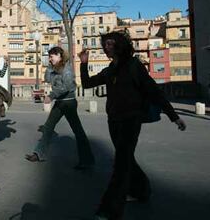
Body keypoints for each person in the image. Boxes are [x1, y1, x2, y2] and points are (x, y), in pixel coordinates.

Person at [78, 31, 186, 220]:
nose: (106, 47)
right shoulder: (110, 69)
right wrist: (84, 63)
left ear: (120, 45)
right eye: (105, 44)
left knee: (120, 165)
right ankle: (142, 190)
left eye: (110, 44)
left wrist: (173, 116)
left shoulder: (134, 66)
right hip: (114, 121)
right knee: (126, 160)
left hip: (131, 120)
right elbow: (87, 83)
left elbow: (154, 91)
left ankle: (109, 210)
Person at [25, 46, 95, 170]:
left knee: (78, 131)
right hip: (60, 102)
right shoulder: (55, 68)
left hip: (68, 103)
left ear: (59, 55)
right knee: (48, 128)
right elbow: (46, 79)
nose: (50, 59)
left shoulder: (67, 70)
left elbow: (67, 87)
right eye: (49, 57)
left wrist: (51, 96)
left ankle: (87, 160)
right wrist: (50, 66)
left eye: (51, 57)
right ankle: (38, 154)